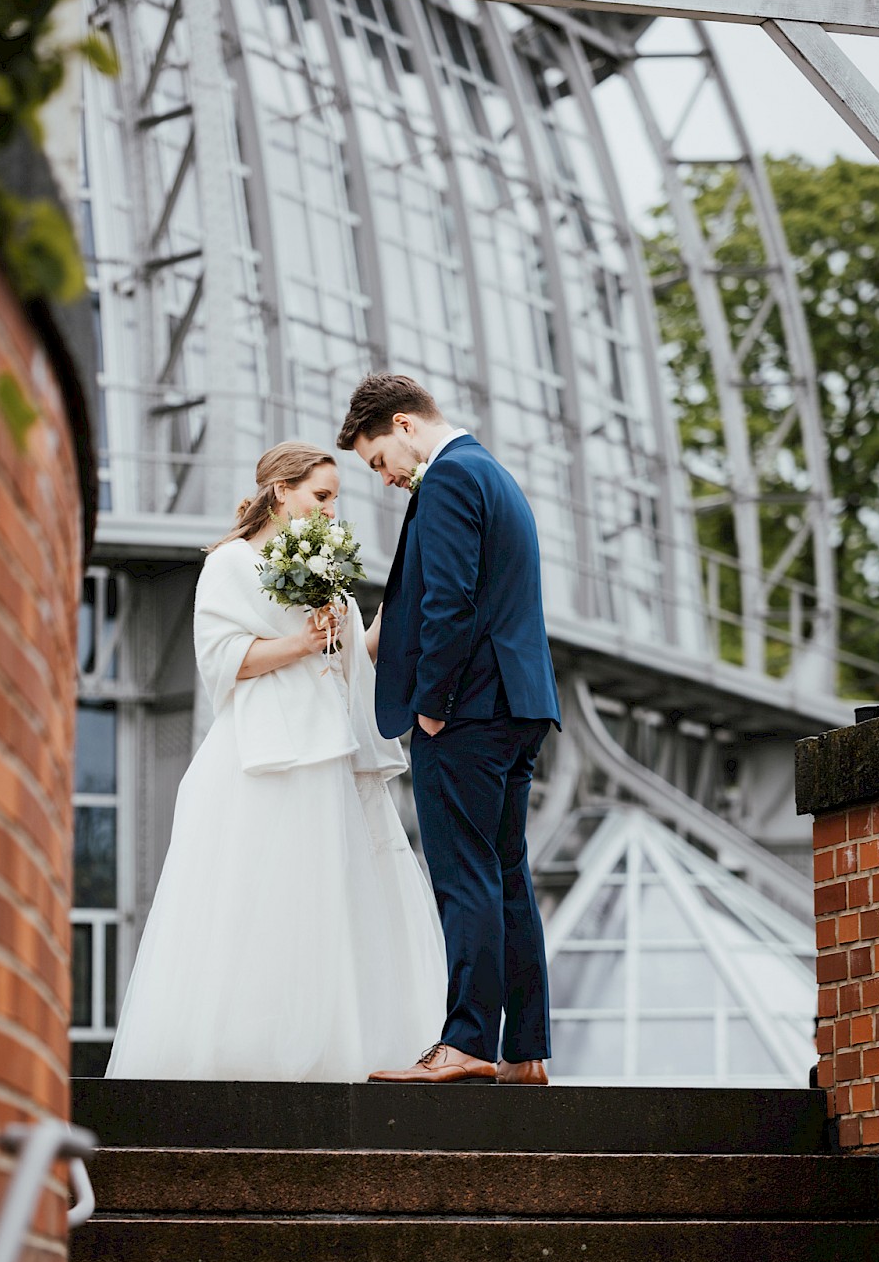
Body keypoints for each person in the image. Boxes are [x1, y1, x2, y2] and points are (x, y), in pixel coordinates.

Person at [105, 442, 446, 1080]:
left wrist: (382, 624)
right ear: (280, 490)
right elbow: (225, 661)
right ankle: (253, 1051)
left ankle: (340, 1042)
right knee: (260, 901)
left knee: (331, 900)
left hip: (330, 751)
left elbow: (345, 659)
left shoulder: (327, 570)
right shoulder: (230, 563)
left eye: (335, 499)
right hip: (262, 754)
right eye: (320, 496)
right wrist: (300, 641)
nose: (329, 510)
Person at [336, 375, 561, 1085]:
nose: (384, 478)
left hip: (469, 710)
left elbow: (450, 601)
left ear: (404, 426)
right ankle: (525, 1053)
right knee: (504, 875)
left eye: (378, 461)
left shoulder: (450, 479)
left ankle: (465, 1044)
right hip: (518, 704)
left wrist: (432, 702)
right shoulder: (491, 473)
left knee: (464, 873)